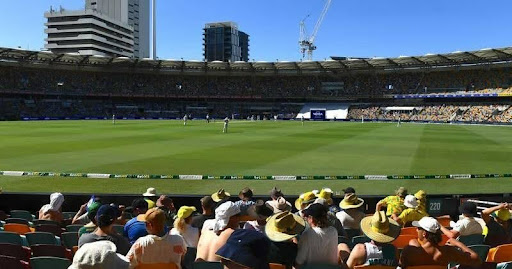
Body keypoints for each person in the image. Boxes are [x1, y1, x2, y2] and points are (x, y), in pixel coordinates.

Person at [400, 217, 481, 268]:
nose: (416, 230)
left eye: (418, 228)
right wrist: (458, 243)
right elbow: (476, 259)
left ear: (424, 233)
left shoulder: (409, 251)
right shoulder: (447, 251)